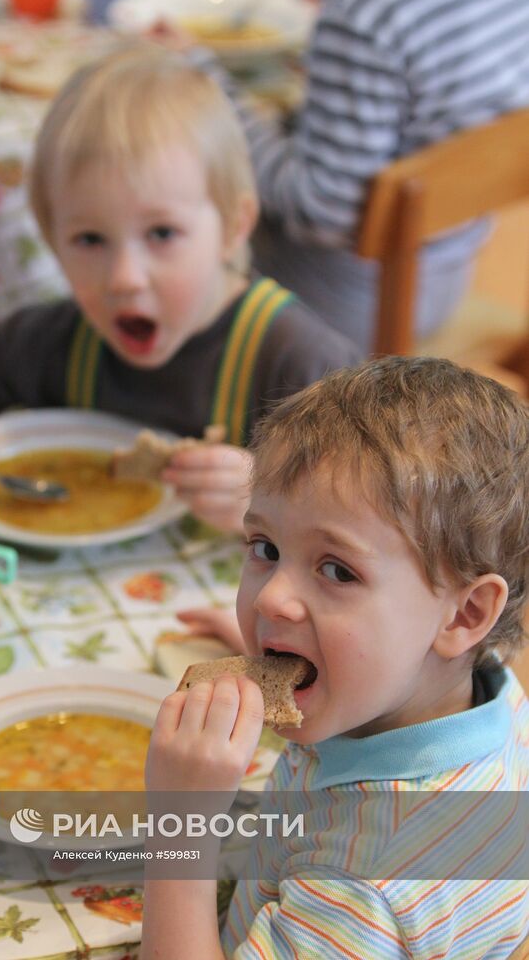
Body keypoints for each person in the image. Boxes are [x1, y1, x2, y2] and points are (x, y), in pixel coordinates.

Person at [0, 42, 359, 534]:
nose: (123, 277)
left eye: (161, 234)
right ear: (52, 240)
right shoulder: (52, 340)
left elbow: (382, 515)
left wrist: (273, 507)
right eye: (89, 239)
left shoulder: (304, 366)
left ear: (233, 226)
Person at [140, 356, 529, 958]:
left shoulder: (361, 885)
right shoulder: (486, 694)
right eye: (266, 547)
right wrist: (281, 644)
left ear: (465, 615)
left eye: (337, 570)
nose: (271, 596)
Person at [159, 0, 529, 352]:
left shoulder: (369, 4)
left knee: (172, 208)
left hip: (346, 307)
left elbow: (319, 210)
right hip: (449, 273)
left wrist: (203, 80)